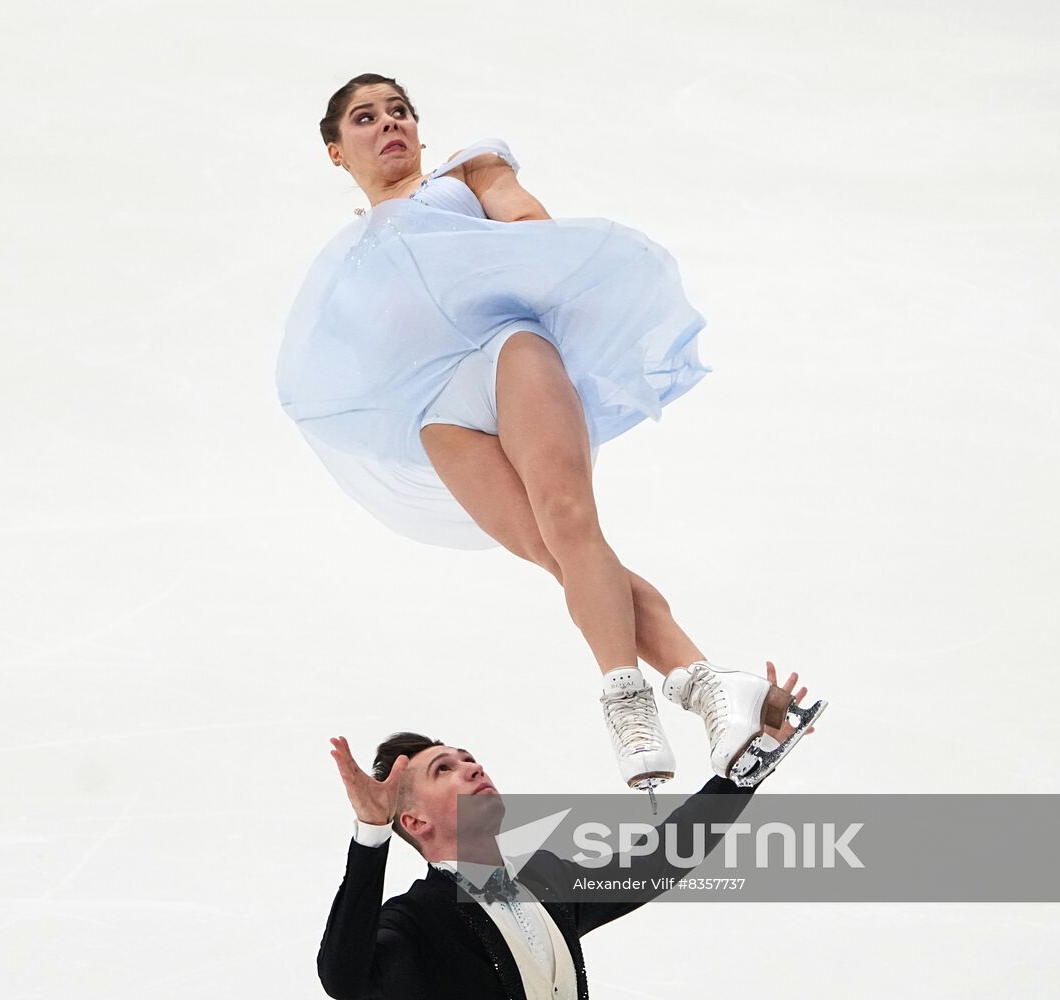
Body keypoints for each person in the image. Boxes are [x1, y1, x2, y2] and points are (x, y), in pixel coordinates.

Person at [277, 74, 825, 794]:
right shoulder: (352, 255)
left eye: (401, 110)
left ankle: (626, 698)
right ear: (335, 150)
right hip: (437, 410)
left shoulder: (462, 174)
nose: (390, 124)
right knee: (555, 552)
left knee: (570, 521)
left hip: (508, 348)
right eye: (365, 116)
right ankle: (715, 690)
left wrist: (463, 240)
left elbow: (531, 229)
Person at [319, 673, 814, 1000]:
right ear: (415, 822)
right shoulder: (414, 921)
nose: (471, 767)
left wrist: (745, 770)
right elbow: (343, 978)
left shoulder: (545, 877)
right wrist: (370, 834)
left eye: (468, 757)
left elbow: (658, 862)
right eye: (443, 769)